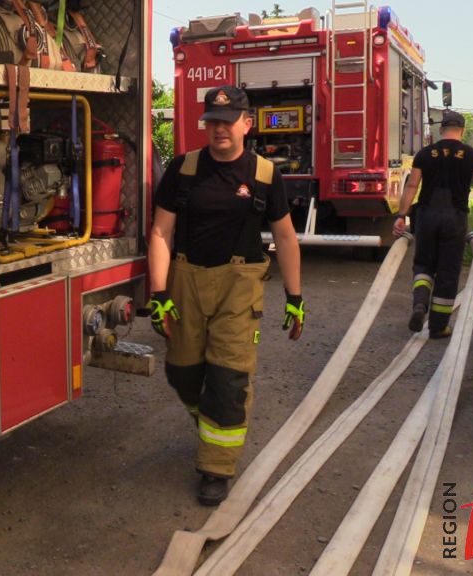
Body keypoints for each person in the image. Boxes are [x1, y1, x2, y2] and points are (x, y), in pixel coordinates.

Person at [147, 85, 304, 506]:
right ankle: (211, 424)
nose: (219, 128)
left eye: (228, 121)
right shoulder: (183, 170)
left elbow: (285, 238)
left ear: (247, 124)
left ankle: (216, 467)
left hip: (240, 285)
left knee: (228, 379)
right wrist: (158, 293)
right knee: (182, 372)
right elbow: (160, 232)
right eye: (213, 121)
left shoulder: (265, 175)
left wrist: (295, 298)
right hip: (186, 282)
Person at [393, 109, 473, 338]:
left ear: (442, 129)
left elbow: (412, 186)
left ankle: (420, 304)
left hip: (426, 216)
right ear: (462, 130)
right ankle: (438, 327)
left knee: (423, 265)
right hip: (455, 218)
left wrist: (401, 215)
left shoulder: (425, 154)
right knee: (448, 272)